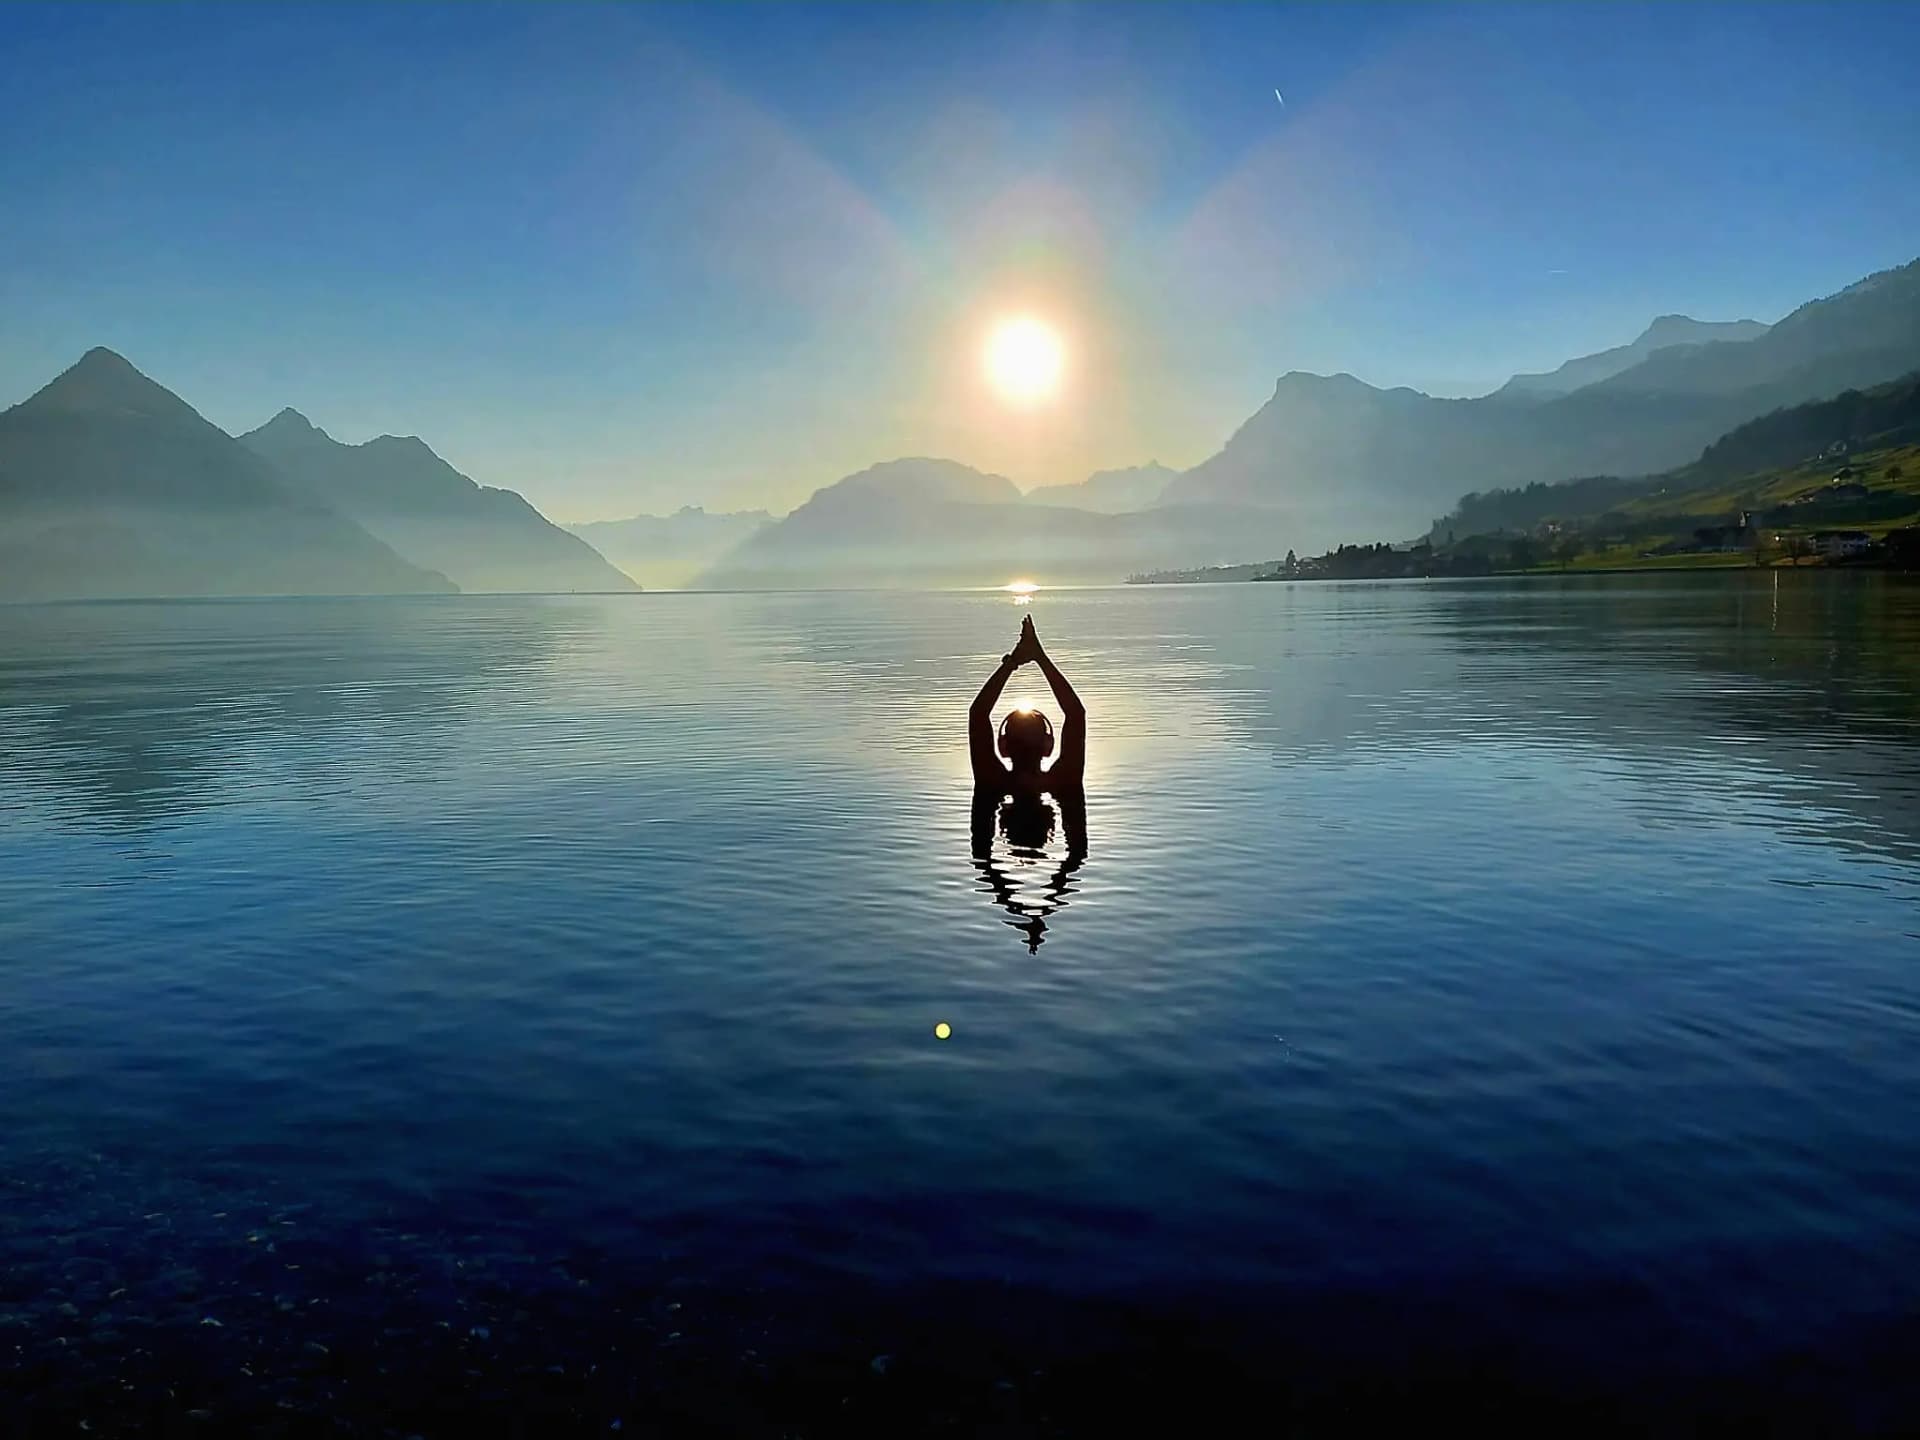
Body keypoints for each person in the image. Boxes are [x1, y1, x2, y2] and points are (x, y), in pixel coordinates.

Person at [969, 615, 1087, 949]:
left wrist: (1013, 663)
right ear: (1048, 745)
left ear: (1003, 746)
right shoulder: (1064, 781)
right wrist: (1038, 655)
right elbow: (1076, 715)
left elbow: (977, 715)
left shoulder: (991, 782)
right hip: (1032, 901)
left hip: (1023, 901)